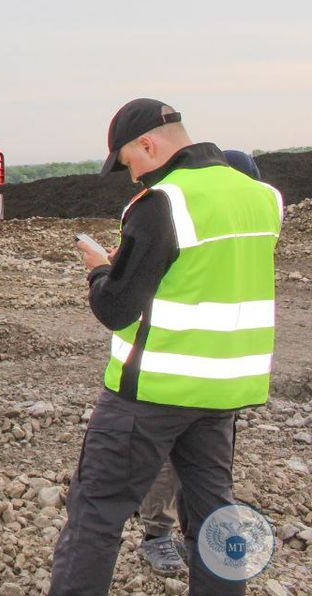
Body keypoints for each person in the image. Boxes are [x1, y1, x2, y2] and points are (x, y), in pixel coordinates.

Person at [49, 100, 283, 595]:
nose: (130, 175)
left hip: (150, 392)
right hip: (223, 392)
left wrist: (98, 268)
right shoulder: (261, 197)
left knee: (95, 515)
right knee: (215, 518)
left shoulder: (162, 202)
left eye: (127, 161)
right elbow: (207, 274)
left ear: (148, 145)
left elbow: (116, 309)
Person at [135, 147, 265, 577]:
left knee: (207, 469)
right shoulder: (182, 217)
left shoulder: (247, 229)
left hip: (221, 375)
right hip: (174, 371)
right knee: (168, 460)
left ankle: (198, 538)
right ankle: (157, 535)